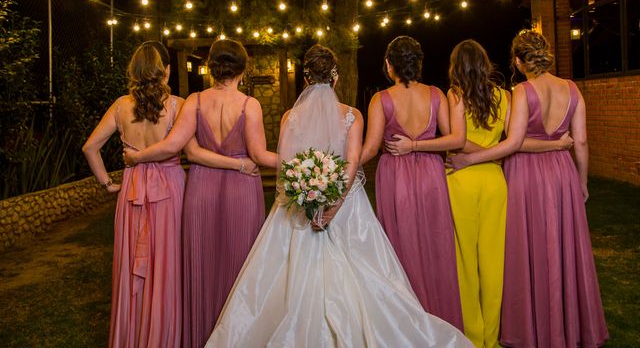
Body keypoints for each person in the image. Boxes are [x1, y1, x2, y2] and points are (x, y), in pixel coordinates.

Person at [205, 44, 472, 347]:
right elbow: (352, 162)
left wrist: (305, 193)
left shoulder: (289, 117)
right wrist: (334, 205)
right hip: (346, 208)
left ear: (306, 79)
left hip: (298, 204)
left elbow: (288, 163)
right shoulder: (352, 116)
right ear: (335, 76)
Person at [449, 30, 608, 348]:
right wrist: (582, 180)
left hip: (526, 175)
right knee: (563, 248)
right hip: (563, 174)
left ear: (520, 61)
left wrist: (472, 158)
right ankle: (569, 325)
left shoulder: (521, 91)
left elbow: (515, 142)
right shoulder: (572, 89)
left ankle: (532, 326)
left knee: (528, 248)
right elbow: (582, 141)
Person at [124, 38, 276, 348]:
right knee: (242, 264)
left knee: (202, 266)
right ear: (242, 70)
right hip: (242, 191)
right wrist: (300, 162)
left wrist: (137, 156)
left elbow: (182, 150)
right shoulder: (250, 105)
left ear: (211, 68)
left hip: (201, 190)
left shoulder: (194, 100)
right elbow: (260, 156)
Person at [83, 41, 187, 347]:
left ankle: (132, 335)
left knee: (131, 264)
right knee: (169, 263)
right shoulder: (177, 106)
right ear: (166, 71)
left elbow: (90, 147)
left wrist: (107, 183)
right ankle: (165, 334)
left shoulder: (120, 105)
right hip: (170, 188)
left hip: (131, 188)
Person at [360, 35, 464, 331]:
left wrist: (345, 168)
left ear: (389, 65)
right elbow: (455, 139)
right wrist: (423, 145)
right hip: (431, 174)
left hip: (396, 177)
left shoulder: (381, 99)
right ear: (418, 64)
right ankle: (439, 320)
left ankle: (405, 327)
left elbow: (370, 149)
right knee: (435, 242)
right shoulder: (436, 94)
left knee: (400, 245)